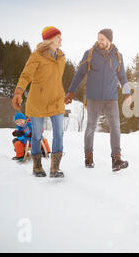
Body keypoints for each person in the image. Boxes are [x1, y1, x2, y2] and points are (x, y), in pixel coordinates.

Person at [64, 28, 132, 171]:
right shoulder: (89, 54)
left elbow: (122, 77)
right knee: (90, 127)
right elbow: (79, 74)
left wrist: (127, 94)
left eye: (102, 39)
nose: (99, 41)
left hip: (111, 99)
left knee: (116, 127)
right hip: (93, 98)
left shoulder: (118, 56)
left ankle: (116, 159)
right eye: (98, 38)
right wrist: (70, 92)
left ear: (109, 40)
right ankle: (88, 156)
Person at [11, 26, 66, 178]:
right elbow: (26, 75)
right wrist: (18, 91)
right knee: (36, 135)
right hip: (38, 101)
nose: (61, 40)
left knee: (59, 134)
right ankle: (37, 166)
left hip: (56, 101)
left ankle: (55, 168)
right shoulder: (36, 56)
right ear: (49, 40)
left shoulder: (61, 57)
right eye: (58, 37)